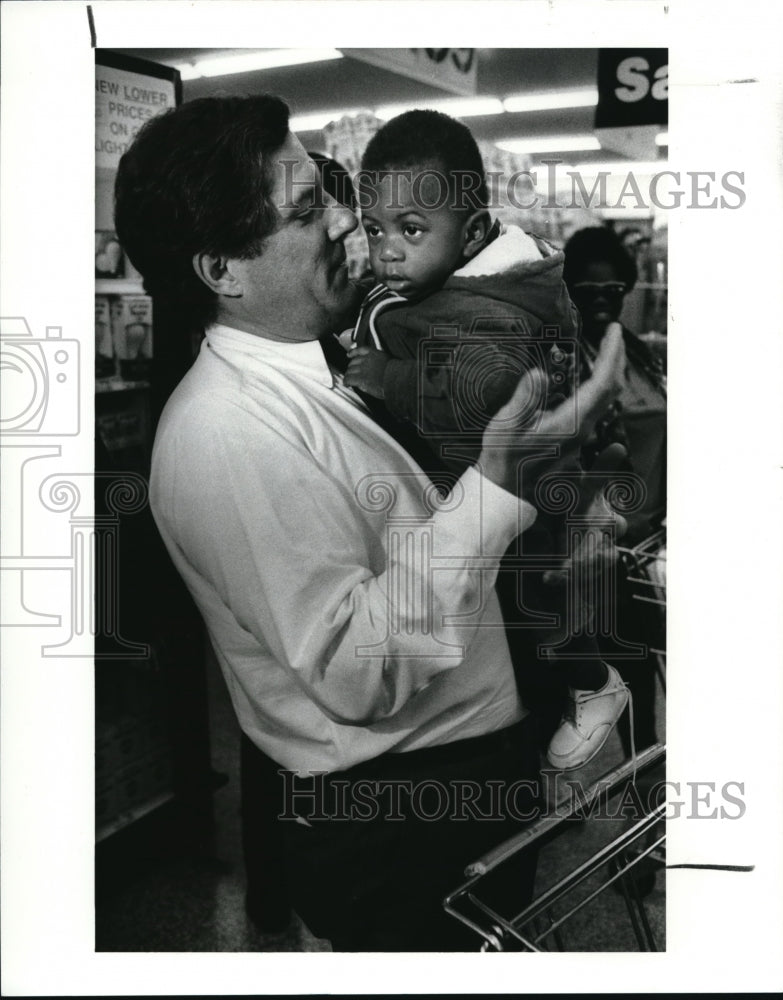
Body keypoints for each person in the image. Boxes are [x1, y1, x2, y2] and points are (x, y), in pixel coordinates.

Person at [114, 94, 627, 951]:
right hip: (402, 819)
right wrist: (498, 479)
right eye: (309, 209)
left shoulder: (325, 363)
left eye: (329, 189)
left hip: (454, 783)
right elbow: (359, 670)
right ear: (222, 271)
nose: (350, 220)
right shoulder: (228, 436)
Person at [340, 110, 629, 771]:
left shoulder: (482, 306)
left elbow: (481, 389)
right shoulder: (455, 279)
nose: (386, 250)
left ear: (470, 232)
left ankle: (591, 687)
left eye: (411, 230)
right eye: (374, 229)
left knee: (540, 595)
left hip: (524, 483)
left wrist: (390, 377)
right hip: (515, 479)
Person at [563, 225, 667, 753]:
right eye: (587, 290)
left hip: (652, 543)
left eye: (614, 290)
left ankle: (647, 773)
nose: (602, 300)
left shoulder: (639, 353)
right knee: (620, 672)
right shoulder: (565, 362)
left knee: (645, 668)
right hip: (602, 547)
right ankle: (633, 782)